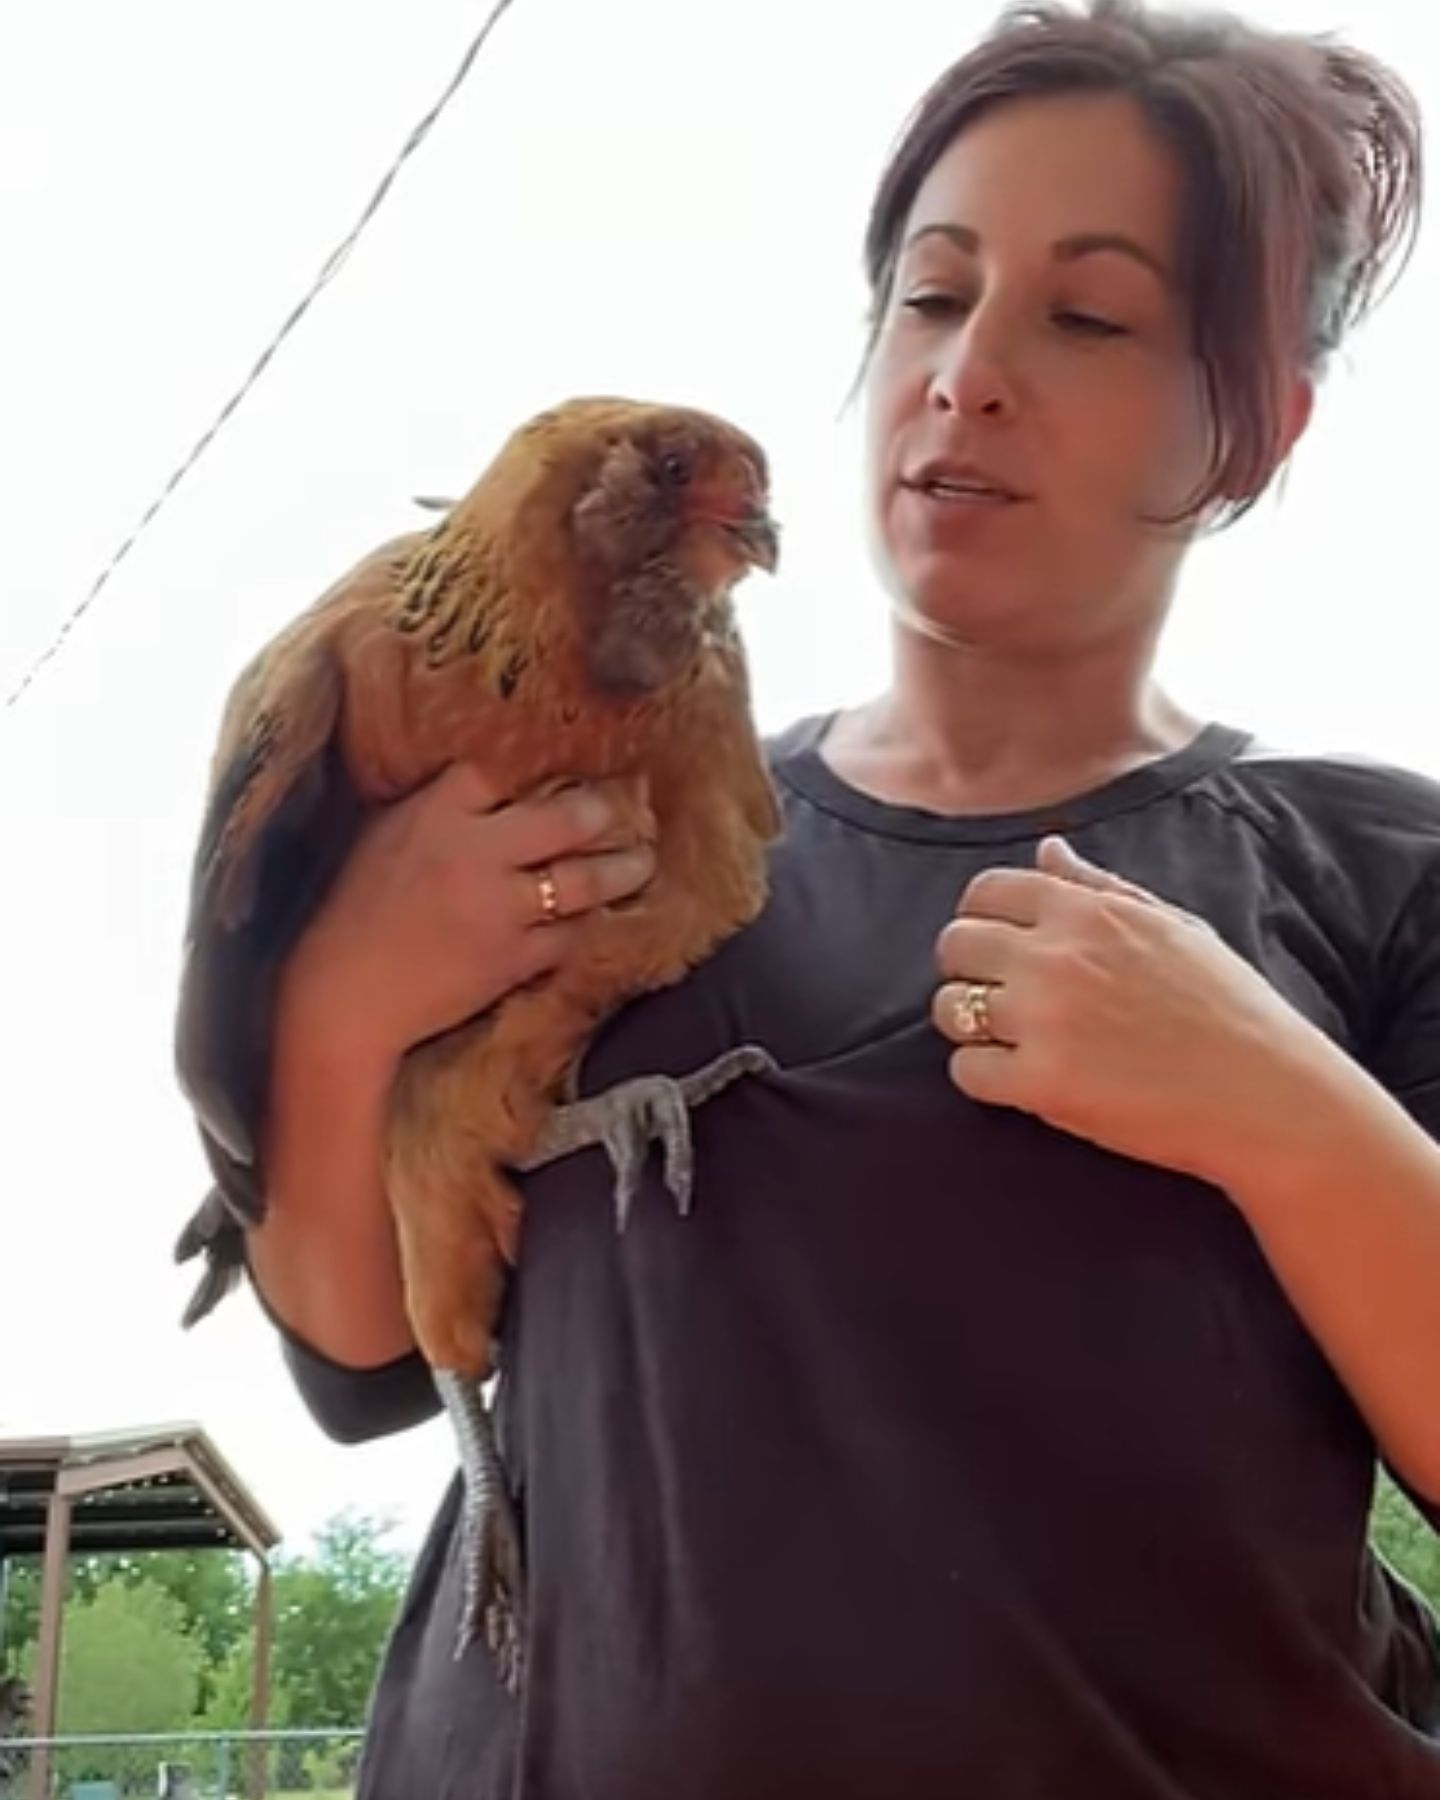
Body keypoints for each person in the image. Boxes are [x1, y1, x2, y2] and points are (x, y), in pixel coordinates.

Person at [227, 1, 1440, 1793]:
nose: (969, 372)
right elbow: (356, 1352)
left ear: (1256, 429)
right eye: (934, 297)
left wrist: (1276, 1108)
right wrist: (337, 1006)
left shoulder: (1367, 875)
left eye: (1089, 316)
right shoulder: (570, 822)